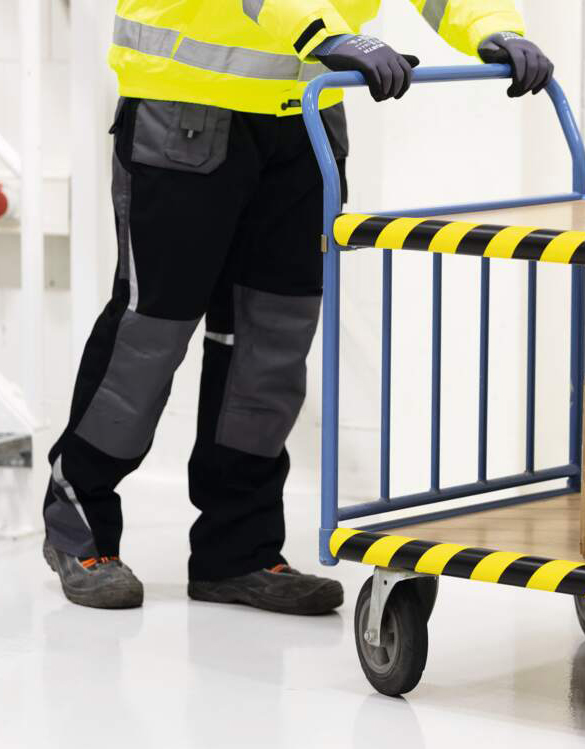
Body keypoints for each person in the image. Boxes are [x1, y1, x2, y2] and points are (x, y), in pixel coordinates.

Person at [42, 0, 553, 612]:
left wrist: (493, 28)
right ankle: (80, 522)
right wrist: (325, 34)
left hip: (306, 120)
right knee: (151, 332)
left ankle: (239, 553)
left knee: (272, 341)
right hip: (185, 110)